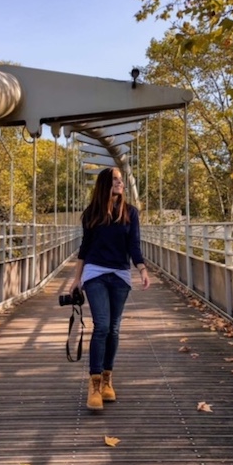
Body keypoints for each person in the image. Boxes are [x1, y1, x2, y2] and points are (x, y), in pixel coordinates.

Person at [69, 167, 150, 411]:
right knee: (102, 325)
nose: (120, 184)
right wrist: (76, 279)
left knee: (114, 329)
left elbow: (134, 245)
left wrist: (142, 270)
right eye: (116, 180)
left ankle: (107, 379)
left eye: (122, 181)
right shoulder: (91, 214)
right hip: (95, 274)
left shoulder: (130, 213)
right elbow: (84, 248)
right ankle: (94, 384)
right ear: (106, 183)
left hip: (120, 276)